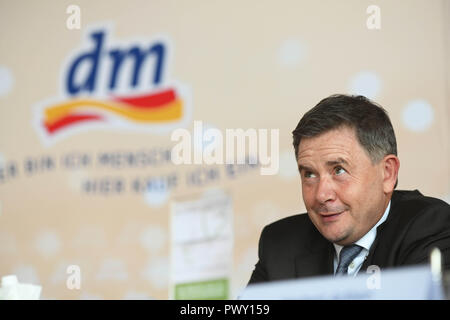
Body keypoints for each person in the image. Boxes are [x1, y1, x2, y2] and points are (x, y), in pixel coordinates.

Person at [248, 94, 450, 284]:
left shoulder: (430, 227)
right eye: (309, 174)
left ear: (387, 173)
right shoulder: (280, 244)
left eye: (339, 170)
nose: (321, 195)